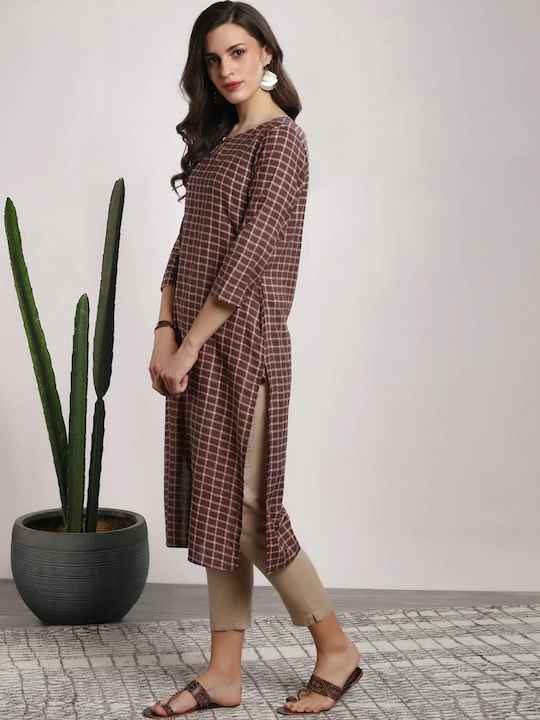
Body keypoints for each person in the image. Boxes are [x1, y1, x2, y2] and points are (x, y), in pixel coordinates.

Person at [145, 2, 364, 716]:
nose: (226, 69)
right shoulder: (216, 144)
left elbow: (248, 256)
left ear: (266, 51)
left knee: (248, 507)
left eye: (237, 52)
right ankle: (224, 673)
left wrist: (191, 343)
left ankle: (336, 647)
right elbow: (186, 249)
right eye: (213, 59)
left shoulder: (282, 141)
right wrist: (163, 330)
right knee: (217, 501)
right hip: (195, 344)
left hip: (248, 344)